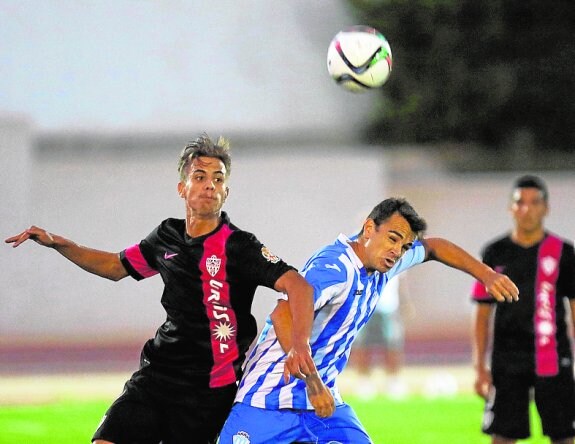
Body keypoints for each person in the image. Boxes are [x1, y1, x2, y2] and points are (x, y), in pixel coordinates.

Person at [4, 133, 319, 444]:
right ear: (183, 188)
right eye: (200, 176)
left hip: (208, 392)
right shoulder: (166, 236)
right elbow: (116, 267)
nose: (211, 184)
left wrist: (299, 346)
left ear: (226, 192)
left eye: (219, 179)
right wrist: (60, 244)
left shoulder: (241, 246)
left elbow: (298, 286)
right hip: (157, 375)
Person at [219, 197, 519, 444]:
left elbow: (435, 247)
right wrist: (312, 381)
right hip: (267, 400)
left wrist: (487, 275)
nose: (397, 251)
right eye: (392, 239)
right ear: (368, 229)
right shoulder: (334, 268)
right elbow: (282, 313)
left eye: (403, 246)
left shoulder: (385, 263)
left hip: (322, 404)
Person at [471, 175, 575, 444]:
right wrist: (479, 367)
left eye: (534, 202)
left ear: (546, 207)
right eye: (520, 203)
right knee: (503, 436)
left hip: (553, 357)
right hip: (507, 360)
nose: (526, 209)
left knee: (564, 435)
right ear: (511, 208)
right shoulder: (494, 252)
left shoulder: (564, 252)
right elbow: (482, 314)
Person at [350, 273, 411, 400]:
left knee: (393, 345)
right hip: (364, 306)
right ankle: (364, 381)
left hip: (388, 305)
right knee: (362, 345)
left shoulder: (396, 255)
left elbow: (401, 278)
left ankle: (393, 380)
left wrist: (405, 301)